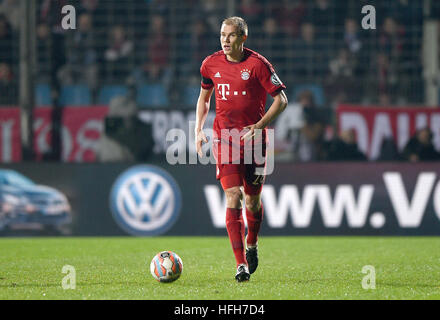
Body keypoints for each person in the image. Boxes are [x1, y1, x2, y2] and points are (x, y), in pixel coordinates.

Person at [194, 17, 288, 282]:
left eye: (231, 36)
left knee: (252, 200)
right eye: (222, 35)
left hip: (255, 140)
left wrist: (259, 126)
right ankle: (240, 265)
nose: (225, 40)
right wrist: (198, 130)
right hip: (225, 139)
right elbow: (204, 97)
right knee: (233, 195)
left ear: (243, 38)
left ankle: (253, 243)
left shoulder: (258, 64)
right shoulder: (209, 64)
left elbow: (281, 100)